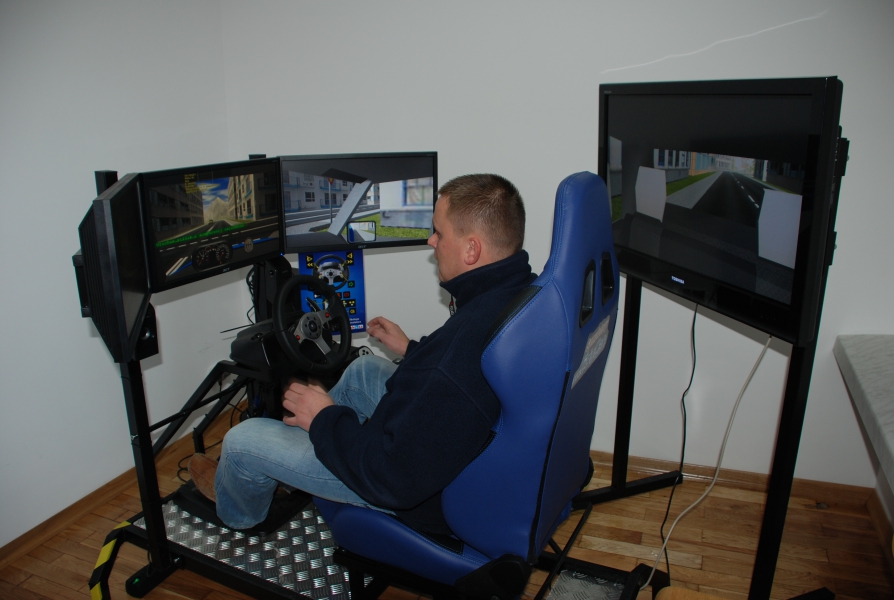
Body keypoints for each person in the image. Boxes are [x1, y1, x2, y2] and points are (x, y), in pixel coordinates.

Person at [189, 173, 536, 535]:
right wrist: (411, 350)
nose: (431, 241)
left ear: (471, 250)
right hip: (465, 450)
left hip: (419, 493)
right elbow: (457, 375)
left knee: (241, 441)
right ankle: (290, 466)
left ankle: (240, 510)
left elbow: (394, 476)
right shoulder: (522, 291)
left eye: (439, 233)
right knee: (363, 370)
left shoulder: (455, 354)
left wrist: (324, 419)